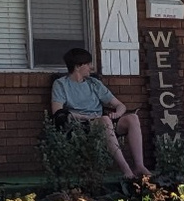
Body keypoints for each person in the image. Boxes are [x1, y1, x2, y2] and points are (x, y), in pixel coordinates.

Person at [51, 47, 149, 183]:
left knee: (132, 118)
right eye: (88, 64)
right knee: (104, 120)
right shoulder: (61, 84)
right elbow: (57, 112)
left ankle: (139, 166)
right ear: (78, 66)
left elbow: (120, 105)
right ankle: (126, 170)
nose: (91, 67)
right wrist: (86, 117)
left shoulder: (94, 83)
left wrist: (117, 113)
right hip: (80, 125)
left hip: (102, 122)